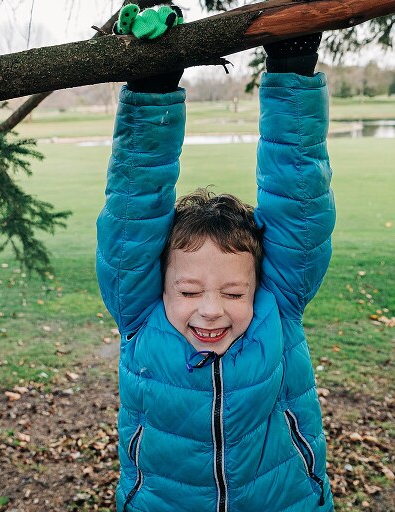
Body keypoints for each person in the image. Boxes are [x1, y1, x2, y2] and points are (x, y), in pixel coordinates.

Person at [96, 25, 335, 512]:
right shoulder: (140, 314)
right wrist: (152, 89)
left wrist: (292, 66)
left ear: (257, 287)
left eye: (232, 293)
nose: (210, 311)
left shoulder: (278, 308)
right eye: (188, 292)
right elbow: (132, 213)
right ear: (159, 286)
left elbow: (299, 204)